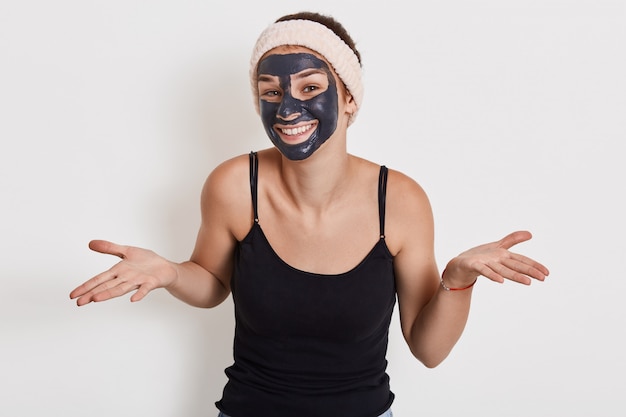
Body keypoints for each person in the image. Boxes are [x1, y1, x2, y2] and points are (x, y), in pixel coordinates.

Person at [69, 11, 549, 417]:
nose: (288, 108)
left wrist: (458, 280)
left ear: (350, 99)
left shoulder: (399, 201)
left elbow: (429, 349)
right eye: (271, 92)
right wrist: (172, 272)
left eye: (310, 86)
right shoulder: (236, 185)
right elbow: (212, 285)